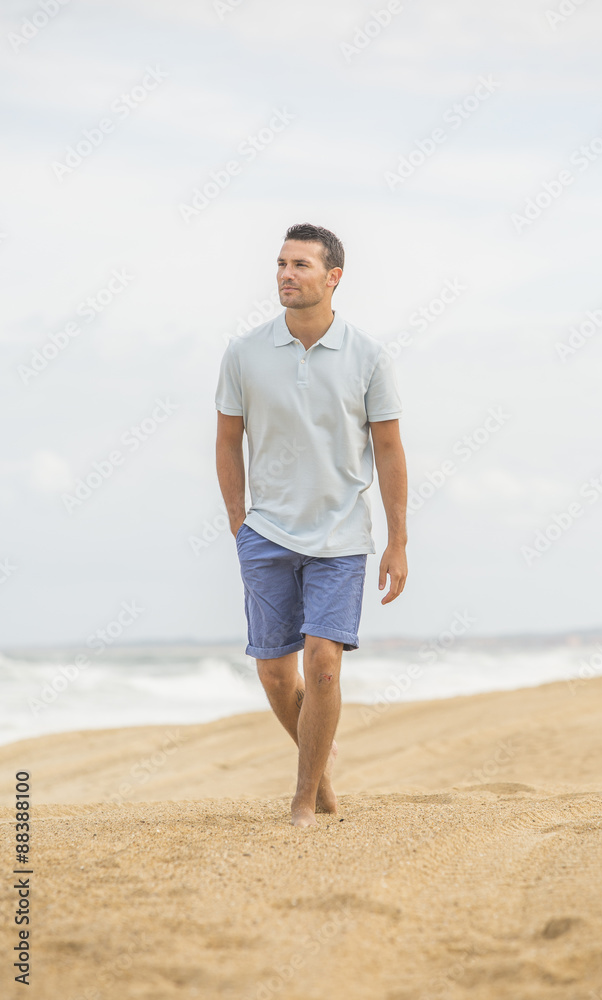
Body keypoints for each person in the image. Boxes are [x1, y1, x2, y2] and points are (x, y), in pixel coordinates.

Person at [215, 222, 408, 827]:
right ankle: (321, 779)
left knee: (323, 661)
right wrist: (238, 521)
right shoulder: (244, 353)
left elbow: (390, 450)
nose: (286, 274)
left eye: (300, 265)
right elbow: (226, 440)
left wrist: (398, 541)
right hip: (266, 532)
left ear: (333, 278)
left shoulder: (369, 356)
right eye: (280, 263)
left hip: (342, 534)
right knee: (276, 674)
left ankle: (302, 802)